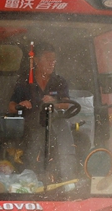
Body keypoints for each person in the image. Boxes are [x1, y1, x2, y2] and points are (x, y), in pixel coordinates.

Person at [6, 43, 78, 180]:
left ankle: (68, 177)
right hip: (30, 128)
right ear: (37, 61)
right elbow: (11, 106)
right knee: (35, 137)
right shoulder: (24, 82)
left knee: (63, 125)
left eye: (54, 59)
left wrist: (54, 102)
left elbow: (66, 104)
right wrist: (20, 105)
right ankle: (33, 178)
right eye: (48, 59)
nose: (52, 63)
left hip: (55, 126)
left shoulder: (59, 81)